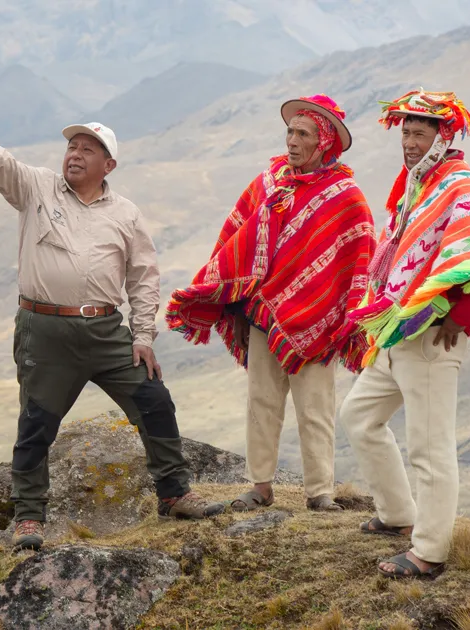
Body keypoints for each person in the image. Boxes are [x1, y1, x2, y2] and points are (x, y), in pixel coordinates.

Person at [0, 108, 225, 551]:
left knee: (154, 400)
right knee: (36, 422)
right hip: (44, 331)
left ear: (109, 166)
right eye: (72, 147)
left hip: (105, 331)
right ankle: (28, 518)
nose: (75, 155)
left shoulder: (126, 214)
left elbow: (143, 277)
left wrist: (142, 336)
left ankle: (174, 493)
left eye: (88, 150)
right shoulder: (37, 187)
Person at [342, 89, 470, 578]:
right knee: (359, 418)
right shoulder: (417, 183)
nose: (409, 141)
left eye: (419, 132)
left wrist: (459, 314)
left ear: (442, 134)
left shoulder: (460, 183)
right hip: (398, 329)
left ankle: (428, 552)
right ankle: (397, 513)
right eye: (405, 132)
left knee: (430, 448)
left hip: (431, 337)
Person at [166, 94, 376, 513]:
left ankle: (320, 492)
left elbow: (359, 261)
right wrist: (237, 311)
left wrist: (344, 319)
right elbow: (234, 248)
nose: (292, 141)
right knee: (261, 401)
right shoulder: (267, 185)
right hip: (263, 318)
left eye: (303, 134)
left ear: (325, 142)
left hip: (318, 324)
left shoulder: (346, 198)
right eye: (290, 132)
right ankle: (259, 485)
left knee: (315, 407)